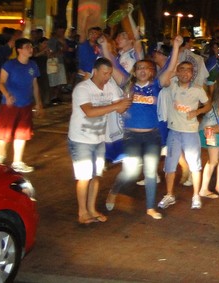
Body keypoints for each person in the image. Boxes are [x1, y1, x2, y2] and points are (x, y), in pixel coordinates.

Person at [105, 36, 182, 220]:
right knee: (130, 171)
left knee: (149, 171)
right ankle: (114, 190)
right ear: (134, 71)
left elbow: (171, 68)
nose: (142, 71)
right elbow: (113, 66)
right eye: (139, 68)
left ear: (152, 72)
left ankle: (150, 207)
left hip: (152, 137)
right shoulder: (128, 84)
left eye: (147, 68)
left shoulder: (156, 86)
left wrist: (176, 46)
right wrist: (104, 47)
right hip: (131, 136)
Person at [68, 57, 131, 224]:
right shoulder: (83, 88)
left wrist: (125, 103)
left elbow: (119, 103)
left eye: (110, 73)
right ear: (95, 71)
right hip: (81, 138)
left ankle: (91, 209)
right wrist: (116, 106)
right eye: (104, 73)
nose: (107, 77)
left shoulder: (110, 86)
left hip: (99, 138)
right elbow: (89, 111)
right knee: (84, 176)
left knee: (96, 175)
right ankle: (82, 212)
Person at [157, 61, 211, 210]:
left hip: (191, 132)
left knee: (194, 165)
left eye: (189, 70)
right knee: (170, 166)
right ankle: (169, 195)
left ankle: (196, 196)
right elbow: (163, 78)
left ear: (193, 73)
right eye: (182, 70)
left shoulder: (198, 89)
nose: (185, 73)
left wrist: (197, 111)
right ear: (178, 72)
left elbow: (208, 104)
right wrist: (174, 72)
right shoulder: (171, 85)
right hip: (174, 131)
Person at [0, 38, 44, 172]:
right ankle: (0, 156)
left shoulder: (33, 65)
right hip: (10, 105)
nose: (31, 49)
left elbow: (35, 85)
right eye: (27, 47)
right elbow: (1, 82)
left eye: (31, 47)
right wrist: (7, 95)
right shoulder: (9, 64)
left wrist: (38, 103)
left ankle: (17, 161)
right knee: (4, 132)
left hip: (26, 104)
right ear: (19, 50)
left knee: (22, 133)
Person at [198, 69, 219, 198]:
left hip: (211, 128)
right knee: (213, 160)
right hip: (211, 129)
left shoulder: (218, 93)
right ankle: (203, 189)